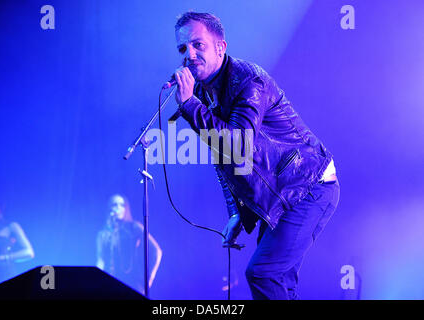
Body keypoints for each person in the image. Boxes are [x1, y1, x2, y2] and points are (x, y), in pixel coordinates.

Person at [171, 12, 340, 300]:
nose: (189, 55)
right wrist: (237, 212)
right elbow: (221, 158)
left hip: (309, 188)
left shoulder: (249, 80)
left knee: (264, 273)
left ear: (220, 47)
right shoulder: (205, 91)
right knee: (280, 284)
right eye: (183, 48)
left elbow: (237, 146)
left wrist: (189, 106)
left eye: (198, 45)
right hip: (283, 194)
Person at [96, 194, 162, 295]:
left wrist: (150, 278)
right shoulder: (103, 233)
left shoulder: (134, 227)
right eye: (115, 205)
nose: (119, 208)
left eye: (122, 205)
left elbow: (157, 251)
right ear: (109, 208)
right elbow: (100, 259)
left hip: (134, 282)